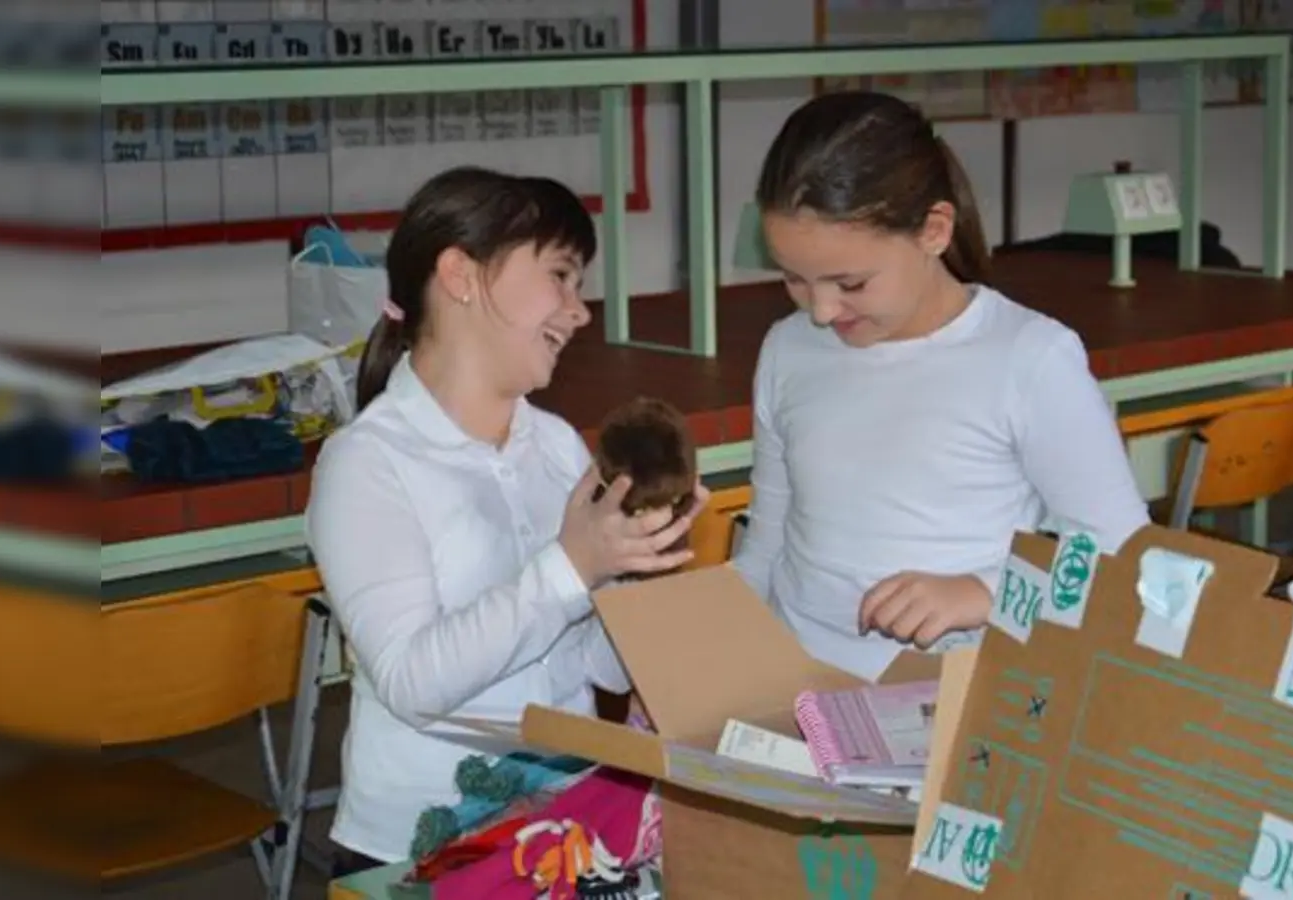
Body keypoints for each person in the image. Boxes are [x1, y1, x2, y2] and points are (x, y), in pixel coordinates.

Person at [306, 167, 704, 873]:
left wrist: (639, 566)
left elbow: (596, 666)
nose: (579, 311)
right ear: (461, 274)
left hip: (561, 832)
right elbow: (412, 683)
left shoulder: (551, 444)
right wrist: (573, 566)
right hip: (422, 852)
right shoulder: (365, 463)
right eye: (561, 275)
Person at [733, 91, 1150, 681]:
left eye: (850, 282)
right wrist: (705, 659)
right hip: (798, 689)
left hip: (956, 700)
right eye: (794, 279)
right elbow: (766, 546)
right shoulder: (787, 350)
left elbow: (1119, 559)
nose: (822, 311)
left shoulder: (1027, 358)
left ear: (933, 230)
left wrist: (981, 592)